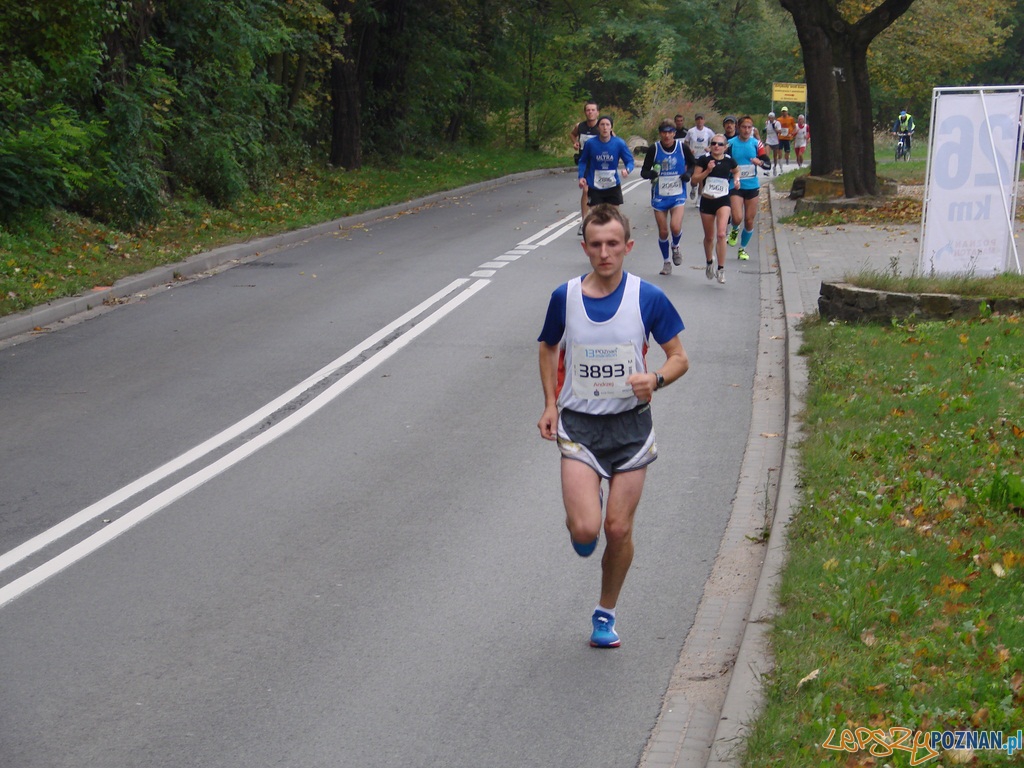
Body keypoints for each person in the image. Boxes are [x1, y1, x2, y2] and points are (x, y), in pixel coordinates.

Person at [537, 204, 689, 648]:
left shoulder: (648, 298)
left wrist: (656, 378)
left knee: (618, 529)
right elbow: (547, 348)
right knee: (586, 531)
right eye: (596, 245)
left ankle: (605, 613)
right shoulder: (564, 297)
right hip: (580, 427)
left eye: (613, 244)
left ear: (628, 247)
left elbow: (680, 357)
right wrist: (550, 403)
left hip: (631, 430)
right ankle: (583, 523)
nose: (605, 253)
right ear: (584, 247)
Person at [641, 120, 696, 275]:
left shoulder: (682, 147)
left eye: (670, 132)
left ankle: (676, 246)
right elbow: (644, 171)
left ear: (674, 133)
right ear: (660, 133)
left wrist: (688, 174)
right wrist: (650, 174)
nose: (667, 135)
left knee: (675, 227)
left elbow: (693, 164)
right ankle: (666, 262)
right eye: (664, 132)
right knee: (663, 232)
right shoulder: (654, 149)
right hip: (660, 195)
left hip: (678, 194)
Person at [691, 134, 741, 284]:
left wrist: (737, 180)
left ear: (725, 147)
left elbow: (736, 171)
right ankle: (709, 262)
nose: (716, 146)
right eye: (714, 143)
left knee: (721, 234)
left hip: (723, 200)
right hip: (707, 200)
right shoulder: (704, 159)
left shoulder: (729, 161)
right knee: (709, 237)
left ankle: (721, 269)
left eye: (720, 144)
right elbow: (694, 180)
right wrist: (707, 170)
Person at [726, 115, 771, 262]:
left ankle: (742, 249)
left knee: (749, 220)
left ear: (752, 129)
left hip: (752, 186)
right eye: (744, 127)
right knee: (737, 217)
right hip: (736, 185)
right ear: (738, 128)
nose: (746, 130)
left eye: (749, 127)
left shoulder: (756, 144)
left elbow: (767, 164)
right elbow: (723, 161)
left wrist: (760, 162)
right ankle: (734, 230)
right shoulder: (730, 143)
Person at [577, 115, 634, 211]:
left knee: (613, 217)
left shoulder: (619, 143)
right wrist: (581, 176)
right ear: (598, 127)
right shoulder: (590, 143)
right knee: (596, 217)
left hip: (613, 186)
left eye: (607, 125)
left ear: (611, 127)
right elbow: (583, 161)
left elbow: (630, 161)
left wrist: (627, 170)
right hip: (595, 186)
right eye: (602, 124)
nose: (605, 127)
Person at [571, 100, 601, 235]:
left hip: (599, 164)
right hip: (585, 162)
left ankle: (597, 220)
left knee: (598, 193)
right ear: (585, 112)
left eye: (593, 110)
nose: (590, 112)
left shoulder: (602, 126)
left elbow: (613, 140)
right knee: (585, 191)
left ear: (597, 112)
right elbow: (572, 135)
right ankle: (584, 221)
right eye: (588, 110)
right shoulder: (580, 126)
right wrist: (575, 143)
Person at [684, 113, 715, 200]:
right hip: (694, 157)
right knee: (694, 179)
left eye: (701, 119)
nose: (700, 121)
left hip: (704, 157)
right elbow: (686, 142)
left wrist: (709, 148)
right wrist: (689, 149)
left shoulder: (708, 131)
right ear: (695, 121)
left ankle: (699, 198)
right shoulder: (691, 131)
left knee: (701, 179)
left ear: (704, 120)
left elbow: (714, 140)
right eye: (698, 119)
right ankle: (693, 188)